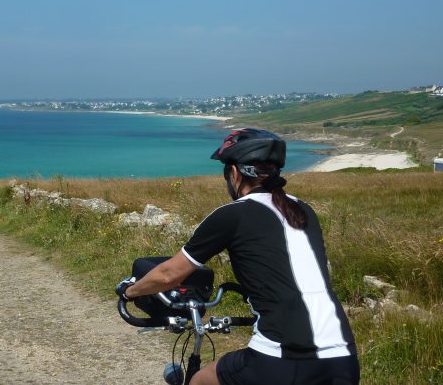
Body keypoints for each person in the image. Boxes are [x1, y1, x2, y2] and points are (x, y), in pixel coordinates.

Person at [116, 128, 359, 385]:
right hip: (343, 358)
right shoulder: (303, 210)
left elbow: (168, 274)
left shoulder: (232, 214)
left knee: (201, 380)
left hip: (280, 357)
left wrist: (130, 291)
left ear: (233, 173)